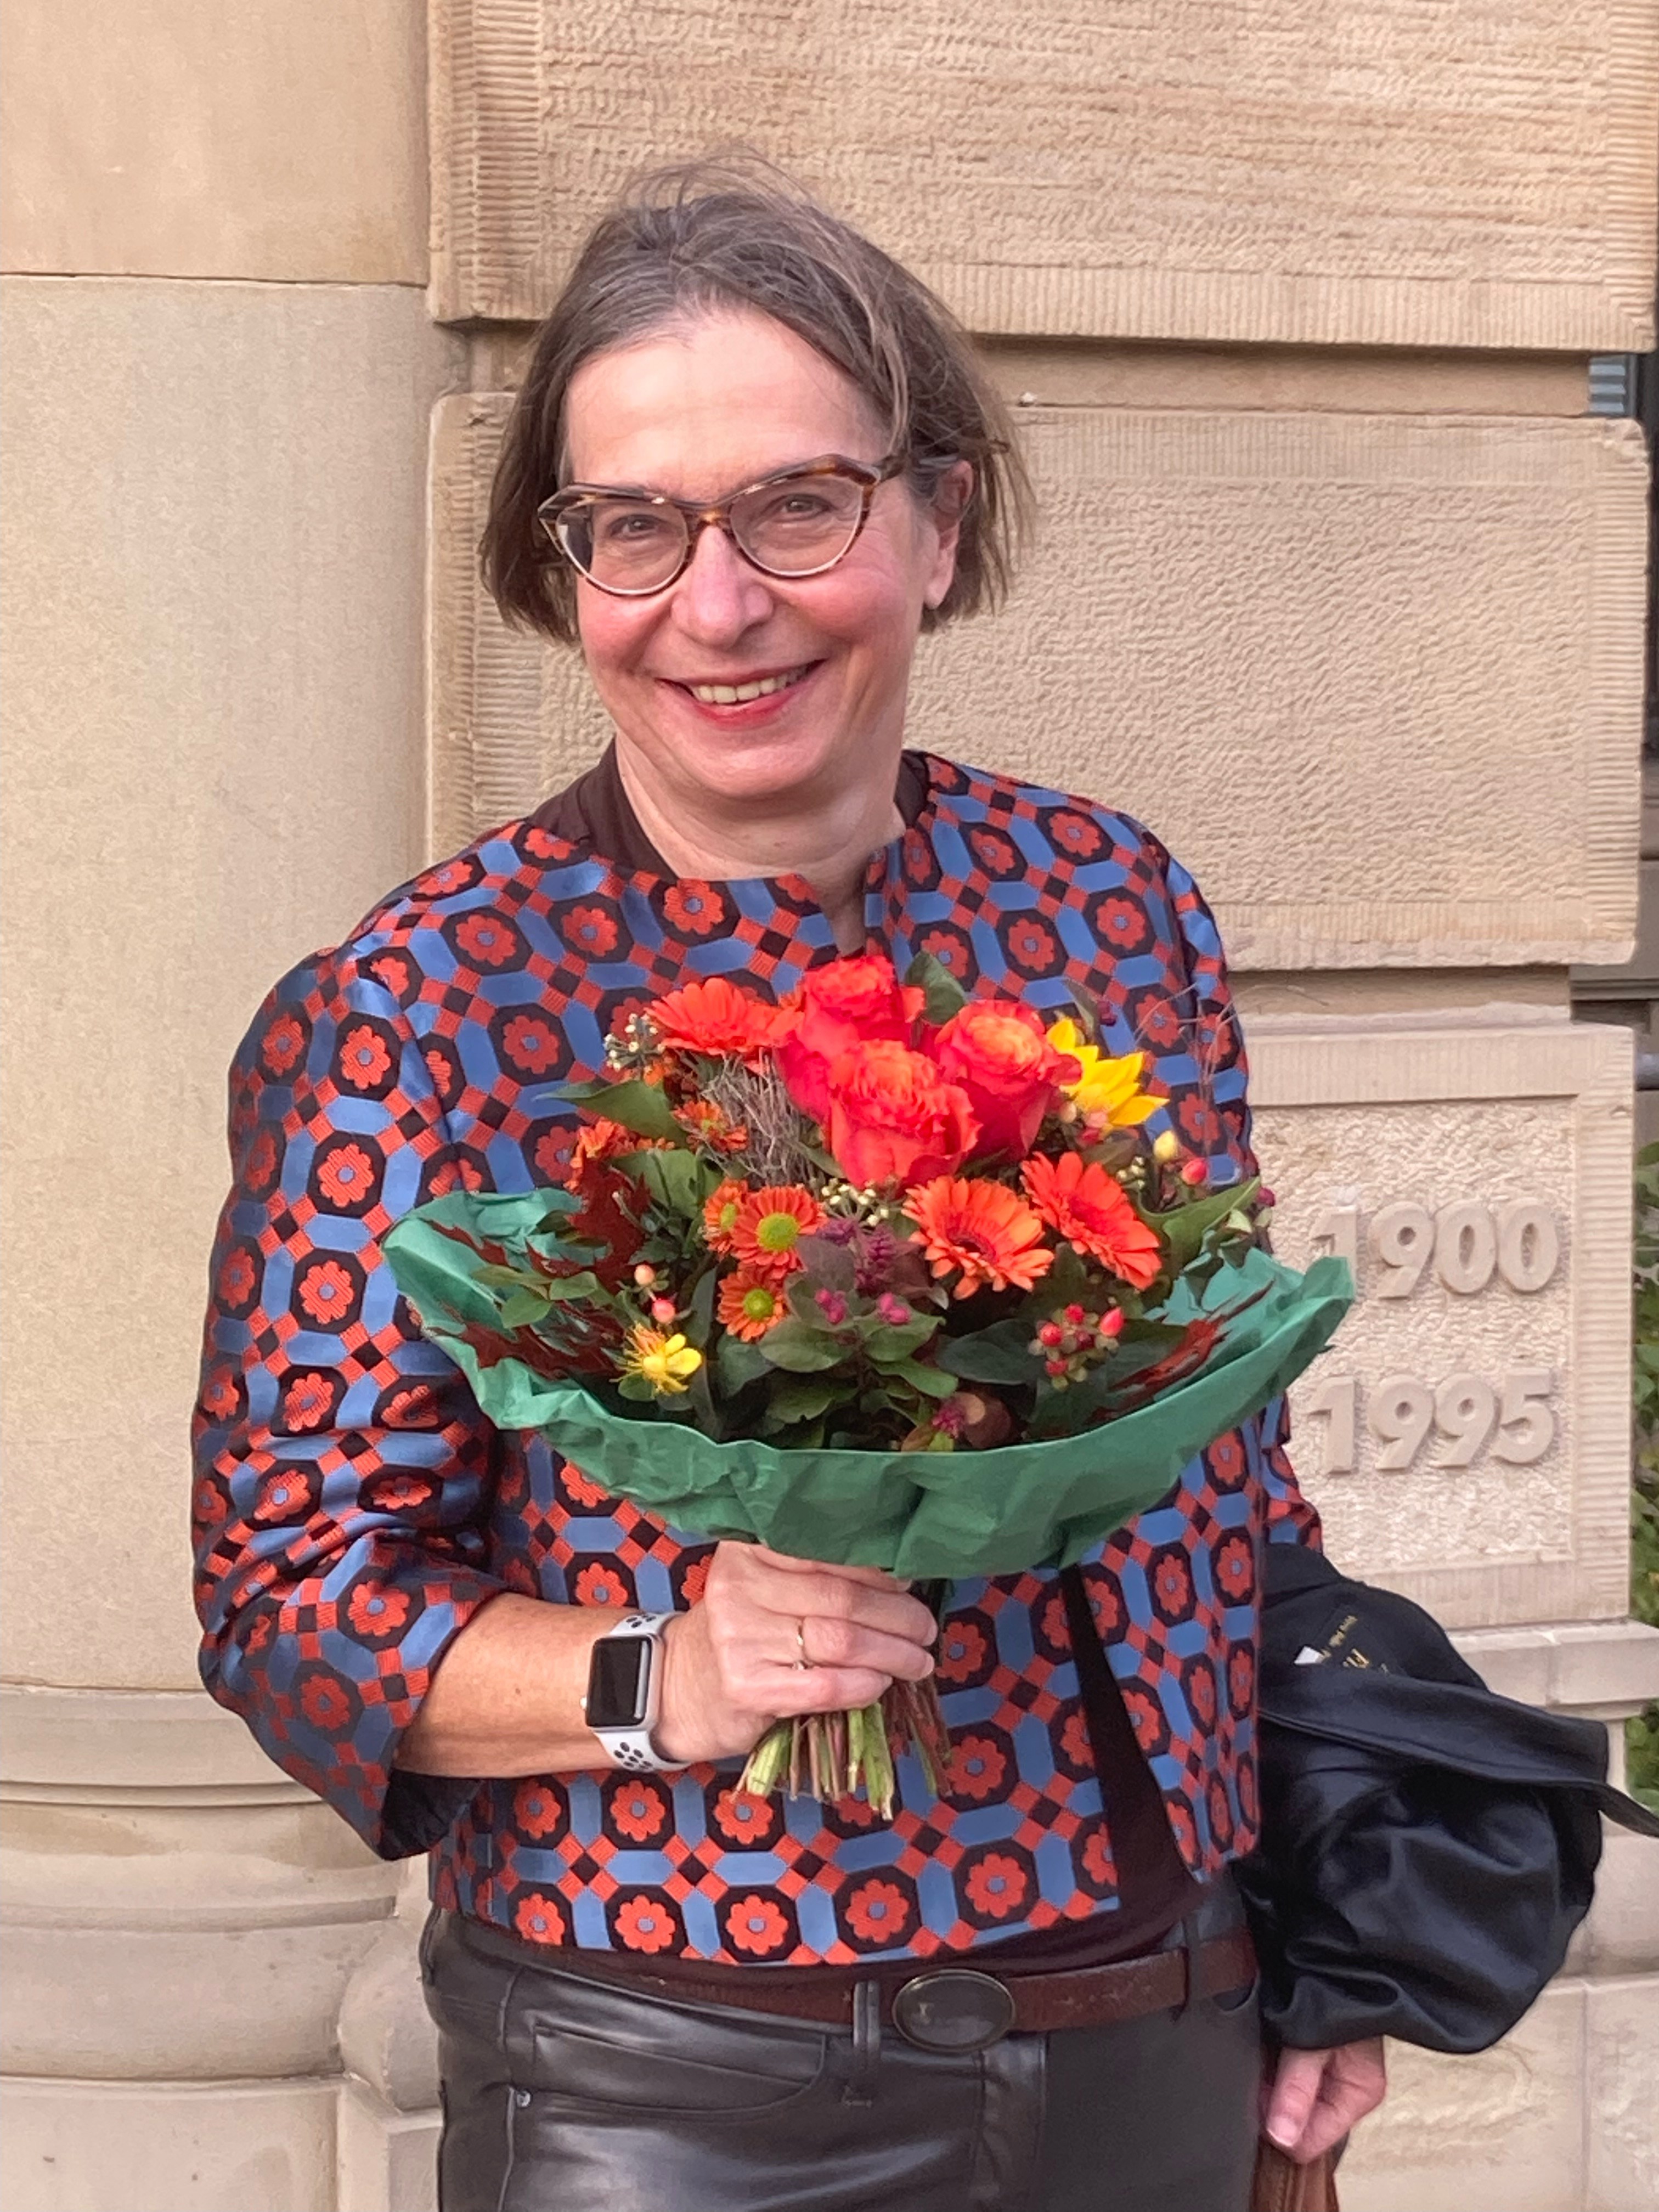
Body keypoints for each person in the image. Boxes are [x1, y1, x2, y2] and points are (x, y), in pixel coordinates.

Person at [192, 161, 1386, 2211]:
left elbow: (1228, 1491)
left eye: (797, 506)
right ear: (560, 568)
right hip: (689, 2096)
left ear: (937, 523)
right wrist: (667, 1677)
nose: (716, 602)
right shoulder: (423, 1005)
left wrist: (1323, 1935)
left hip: (1170, 2049)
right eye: (633, 526)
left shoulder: (1106, 908)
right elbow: (291, 1606)